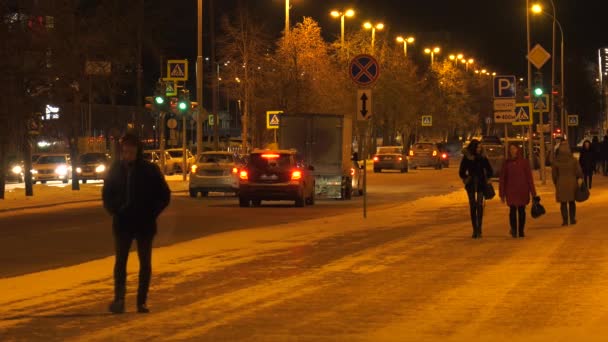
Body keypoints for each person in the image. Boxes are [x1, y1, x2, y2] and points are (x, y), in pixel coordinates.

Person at [102, 134, 171, 314]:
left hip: (144, 224)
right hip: (123, 223)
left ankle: (141, 301)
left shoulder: (149, 170)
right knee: (120, 263)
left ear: (138, 151)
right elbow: (107, 193)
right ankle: (119, 299)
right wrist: (115, 209)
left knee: (144, 263)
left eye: (131, 151)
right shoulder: (116, 169)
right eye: (125, 151)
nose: (128, 154)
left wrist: (152, 212)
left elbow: (164, 195)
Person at [499, 144, 537, 238]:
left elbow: (529, 178)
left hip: (522, 190)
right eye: (511, 149)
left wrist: (533, 193)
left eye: (514, 148)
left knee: (521, 210)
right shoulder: (506, 163)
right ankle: (514, 230)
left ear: (517, 150)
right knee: (512, 210)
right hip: (510, 190)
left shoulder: (524, 162)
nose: (512, 150)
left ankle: (521, 230)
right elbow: (503, 178)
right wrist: (502, 193)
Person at [459, 139, 493, 239]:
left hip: (481, 184)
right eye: (477, 147)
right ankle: (475, 229)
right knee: (473, 206)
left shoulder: (483, 158)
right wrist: (466, 178)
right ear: (473, 148)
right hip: (471, 184)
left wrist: (487, 177)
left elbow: (490, 170)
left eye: (480, 147)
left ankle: (479, 229)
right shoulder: (467, 158)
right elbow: (461, 171)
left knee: (479, 205)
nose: (479, 149)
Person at [552, 142, 583, 226]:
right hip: (572, 183)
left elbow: (554, 175)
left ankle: (565, 220)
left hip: (561, 183)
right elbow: (578, 172)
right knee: (572, 202)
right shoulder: (573, 160)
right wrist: (579, 179)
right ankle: (572, 219)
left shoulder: (556, 161)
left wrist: (556, 183)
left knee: (563, 203)